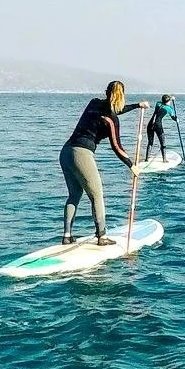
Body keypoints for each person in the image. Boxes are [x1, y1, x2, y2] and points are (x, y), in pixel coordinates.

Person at [60, 80, 140, 245]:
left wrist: (138, 105)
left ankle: (67, 236)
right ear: (122, 96)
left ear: (106, 92)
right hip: (81, 154)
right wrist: (131, 165)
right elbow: (117, 147)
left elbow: (114, 108)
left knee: (74, 195)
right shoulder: (111, 119)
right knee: (97, 195)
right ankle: (102, 236)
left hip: (66, 152)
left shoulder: (94, 103)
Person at [147, 93, 177, 162]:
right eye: (169, 101)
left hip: (150, 124)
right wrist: (177, 119)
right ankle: (164, 159)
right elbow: (173, 117)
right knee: (163, 142)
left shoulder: (158, 104)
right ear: (168, 101)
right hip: (158, 125)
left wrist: (170, 98)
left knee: (150, 142)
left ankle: (146, 159)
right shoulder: (169, 109)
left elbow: (162, 102)